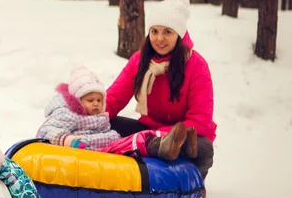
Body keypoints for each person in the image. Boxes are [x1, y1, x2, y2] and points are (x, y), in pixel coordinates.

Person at [106, 0, 217, 197]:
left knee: (204, 147)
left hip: (185, 135)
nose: (159, 38)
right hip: (149, 131)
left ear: (179, 35)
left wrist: (163, 135)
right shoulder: (140, 60)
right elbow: (113, 98)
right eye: (154, 31)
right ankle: (153, 149)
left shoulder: (196, 65)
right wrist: (87, 118)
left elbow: (200, 119)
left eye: (167, 32)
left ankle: (192, 181)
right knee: (107, 124)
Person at [36, 65, 197, 162]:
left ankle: (173, 141)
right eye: (90, 100)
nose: (96, 104)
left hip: (105, 144)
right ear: (78, 100)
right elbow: (46, 130)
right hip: (90, 147)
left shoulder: (95, 116)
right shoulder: (68, 114)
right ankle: (161, 145)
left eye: (99, 100)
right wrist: (67, 140)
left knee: (133, 138)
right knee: (133, 142)